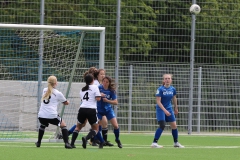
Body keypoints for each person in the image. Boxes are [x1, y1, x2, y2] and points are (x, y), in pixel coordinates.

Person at [35, 75, 72, 149]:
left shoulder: (44, 90)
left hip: (41, 115)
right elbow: (65, 103)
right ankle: (67, 143)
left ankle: (38, 142)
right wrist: (67, 102)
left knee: (43, 125)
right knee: (63, 125)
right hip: (52, 115)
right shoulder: (58, 93)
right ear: (55, 83)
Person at [70, 74, 105, 149]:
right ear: (93, 80)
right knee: (96, 129)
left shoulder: (82, 89)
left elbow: (83, 99)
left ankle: (72, 143)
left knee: (78, 127)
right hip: (91, 109)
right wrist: (100, 95)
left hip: (82, 109)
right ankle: (86, 138)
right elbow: (98, 99)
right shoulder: (95, 87)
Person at [151, 74, 184, 148]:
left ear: (171, 80)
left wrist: (176, 107)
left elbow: (174, 98)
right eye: (165, 78)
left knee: (174, 126)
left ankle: (176, 143)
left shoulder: (172, 89)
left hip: (169, 108)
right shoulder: (160, 89)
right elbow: (158, 102)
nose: (167, 80)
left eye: (169, 78)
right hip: (161, 109)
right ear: (163, 80)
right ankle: (154, 143)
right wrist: (165, 111)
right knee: (162, 125)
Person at [97, 76, 122, 148]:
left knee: (116, 126)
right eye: (104, 81)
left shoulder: (111, 91)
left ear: (109, 83)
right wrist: (99, 95)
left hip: (108, 110)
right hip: (99, 110)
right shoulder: (98, 88)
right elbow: (94, 96)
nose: (105, 83)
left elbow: (116, 102)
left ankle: (117, 139)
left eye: (107, 82)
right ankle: (101, 141)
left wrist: (107, 101)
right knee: (97, 126)